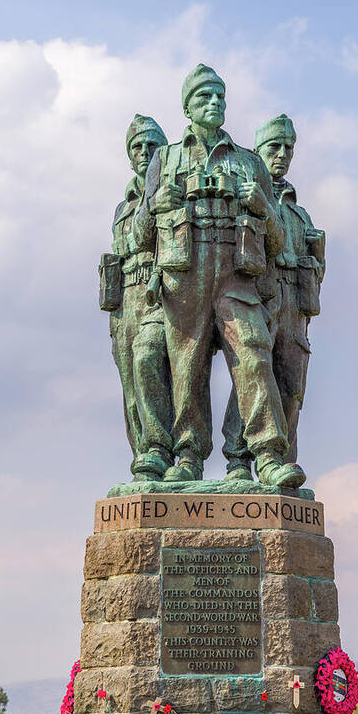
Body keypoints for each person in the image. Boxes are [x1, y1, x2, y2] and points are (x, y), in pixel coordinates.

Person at [134, 66, 305, 487]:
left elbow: (279, 241)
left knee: (253, 356)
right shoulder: (166, 158)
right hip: (185, 276)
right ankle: (188, 455)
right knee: (186, 368)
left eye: (220, 97)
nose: (214, 104)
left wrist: (263, 205)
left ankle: (266, 455)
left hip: (235, 276)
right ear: (187, 107)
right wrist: (156, 203)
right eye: (204, 97)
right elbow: (140, 236)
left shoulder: (249, 161)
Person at [222, 114, 325, 480]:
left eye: (288, 148)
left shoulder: (300, 213)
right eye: (274, 147)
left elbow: (318, 266)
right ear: (258, 151)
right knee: (252, 377)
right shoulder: (246, 196)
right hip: (259, 298)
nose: (282, 154)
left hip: (295, 307)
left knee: (291, 388)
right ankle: (238, 459)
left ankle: (281, 462)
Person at [103, 114, 174, 481]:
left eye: (151, 145)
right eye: (137, 147)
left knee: (151, 364)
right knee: (131, 390)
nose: (144, 152)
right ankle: (145, 463)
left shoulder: (170, 191)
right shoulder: (123, 206)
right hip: (123, 301)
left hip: (158, 294)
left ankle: (162, 449)